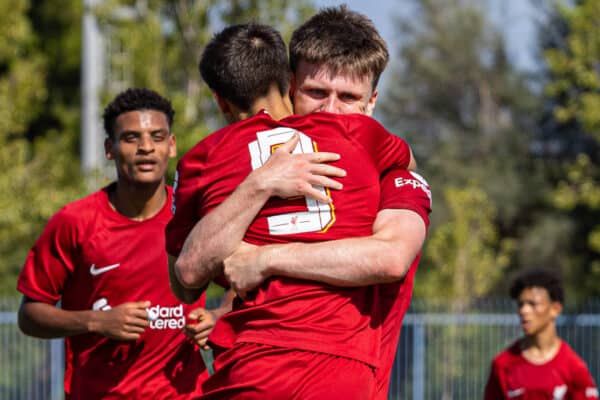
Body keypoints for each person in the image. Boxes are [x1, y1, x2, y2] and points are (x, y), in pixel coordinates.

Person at [174, 6, 431, 399]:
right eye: (316, 93)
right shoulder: (234, 157)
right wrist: (260, 183)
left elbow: (391, 258)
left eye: (348, 98)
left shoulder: (211, 154)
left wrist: (264, 258)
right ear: (290, 85)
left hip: (276, 371)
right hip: (294, 369)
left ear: (372, 101)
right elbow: (187, 275)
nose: (331, 112)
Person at [16, 88, 220, 399]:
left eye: (157, 136)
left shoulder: (198, 215)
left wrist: (218, 317)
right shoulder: (75, 222)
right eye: (131, 138)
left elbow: (244, 281)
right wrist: (96, 320)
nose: (146, 148)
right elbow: (29, 315)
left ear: (172, 145)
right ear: (109, 148)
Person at [484, 268, 599, 400]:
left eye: (533, 304)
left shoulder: (574, 368)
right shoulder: (503, 365)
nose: (524, 310)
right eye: (521, 304)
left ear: (555, 309)